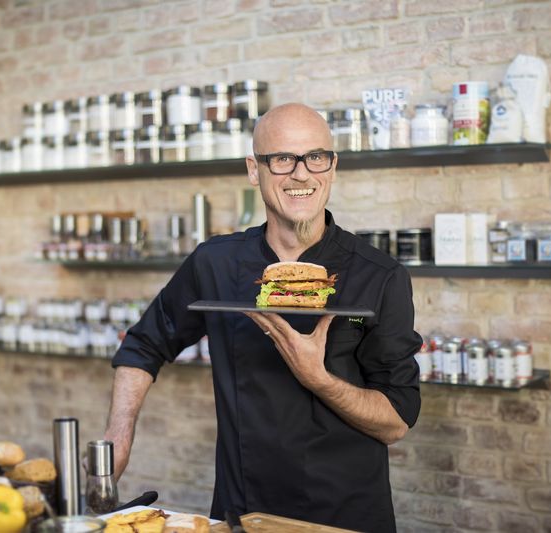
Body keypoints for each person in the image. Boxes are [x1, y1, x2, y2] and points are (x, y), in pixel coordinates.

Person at [104, 103, 421, 532]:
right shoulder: (214, 262)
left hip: (344, 515)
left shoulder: (380, 275)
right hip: (241, 511)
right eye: (283, 160)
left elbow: (397, 422)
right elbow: (143, 345)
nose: (302, 174)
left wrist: (318, 378)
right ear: (255, 170)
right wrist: (117, 441)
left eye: (316, 157)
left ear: (332, 166)